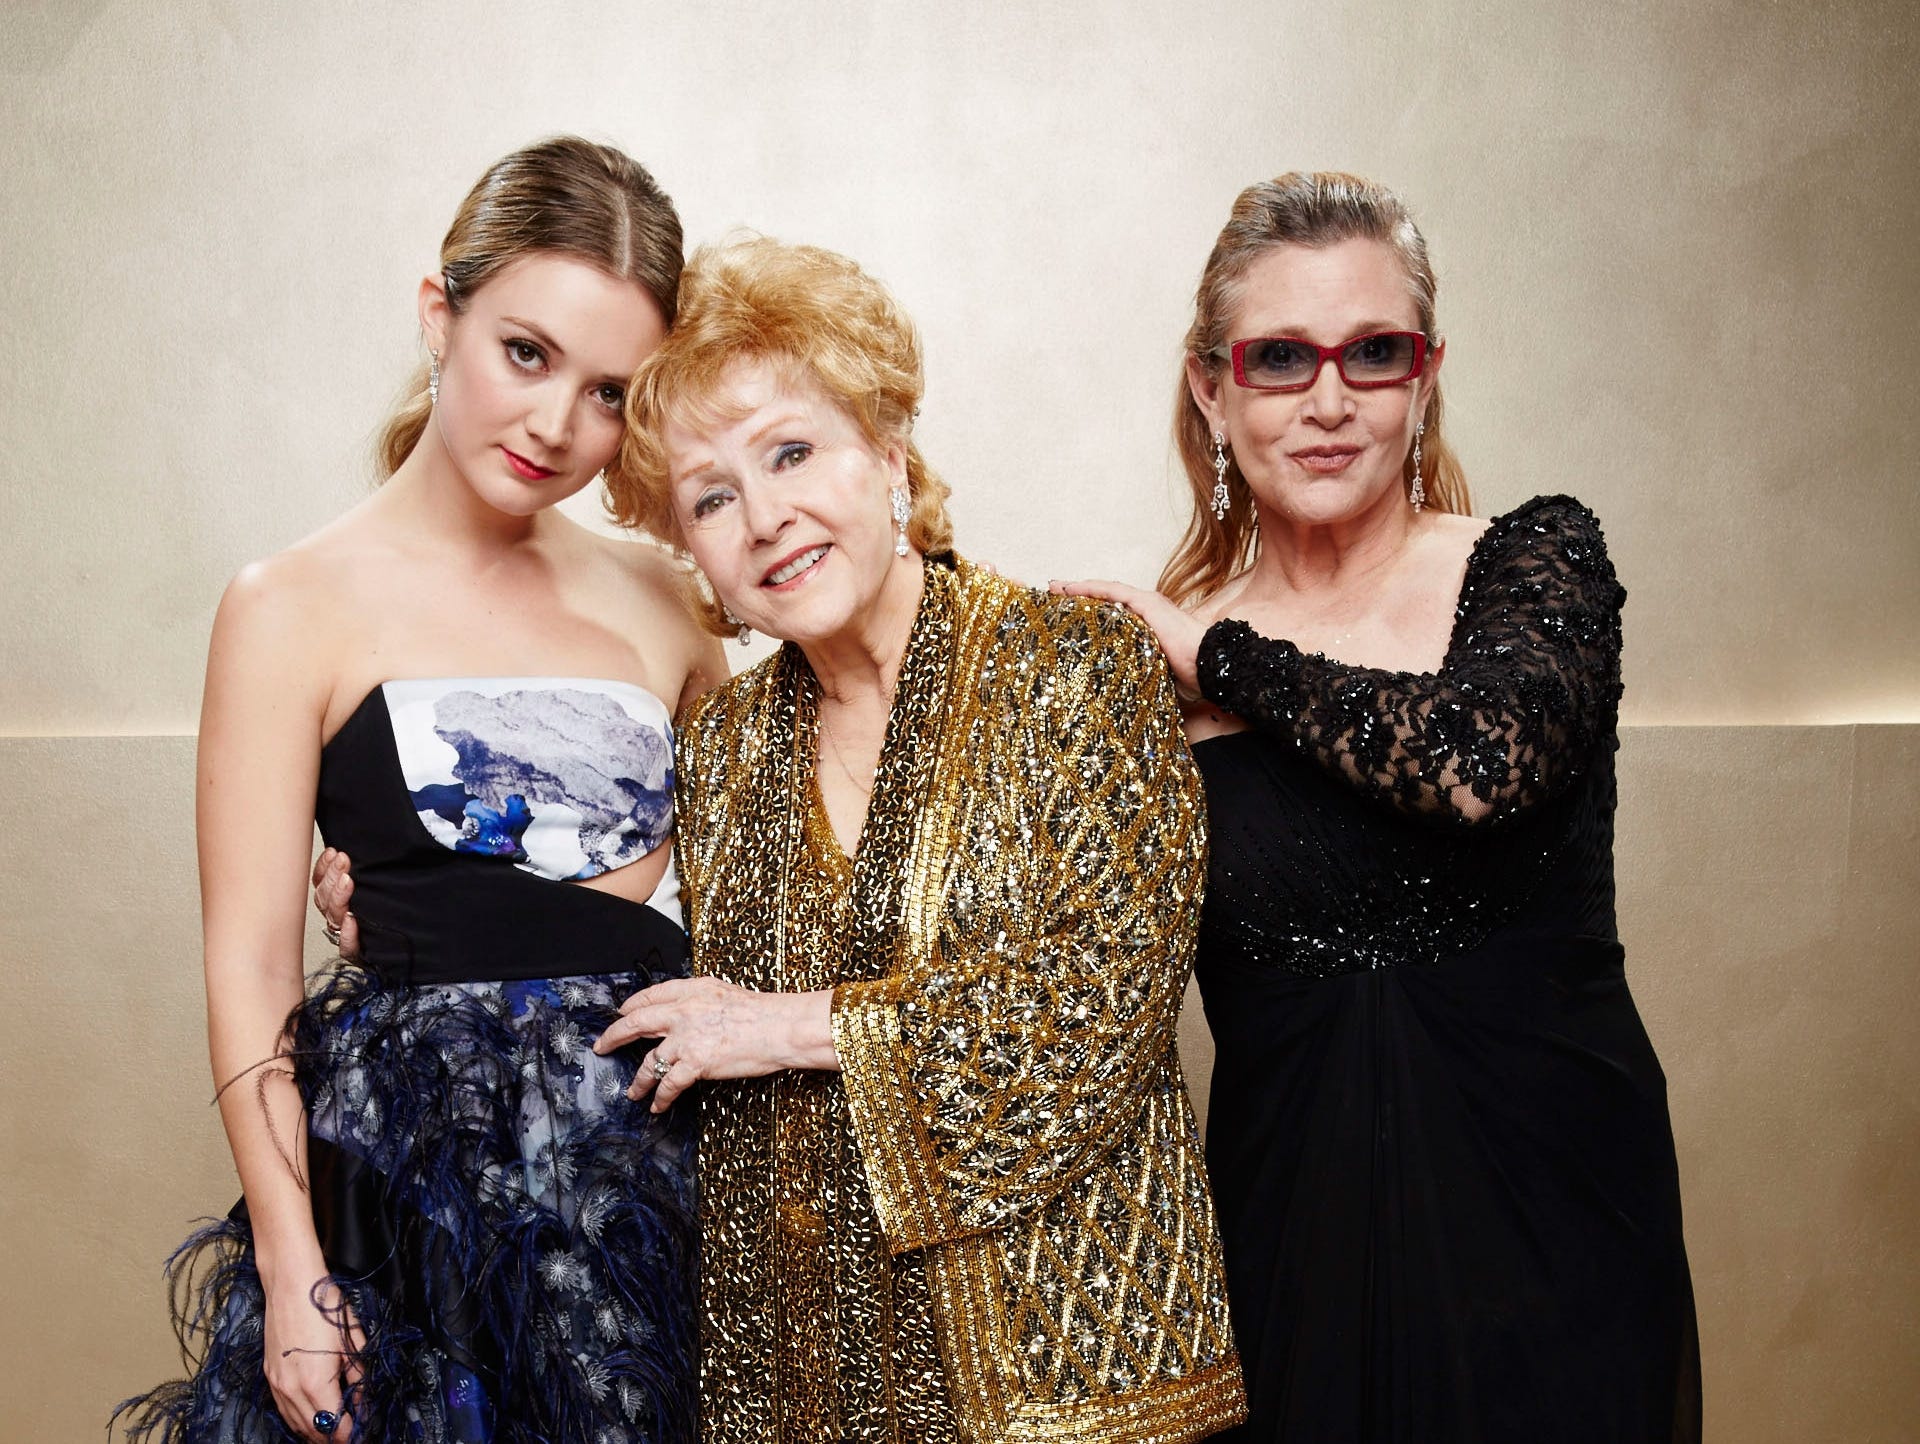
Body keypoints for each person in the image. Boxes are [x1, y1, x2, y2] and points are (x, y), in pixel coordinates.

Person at [1058, 172, 1701, 1442]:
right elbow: (1062, 973)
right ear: (1213, 386)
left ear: (1427, 373)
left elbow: (1480, 761)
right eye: (1282, 357)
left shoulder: (1533, 557)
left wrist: (1219, 658)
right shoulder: (1145, 676)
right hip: (1289, 1238)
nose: (1330, 400)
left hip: (1556, 1219)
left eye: (1375, 352)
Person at [588, 237, 1247, 1443]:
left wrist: (789, 1025)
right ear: (699, 558)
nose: (766, 517)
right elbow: (610, 930)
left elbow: (1099, 1006)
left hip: (1072, 1375)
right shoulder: (724, 746)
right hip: (808, 1388)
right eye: (713, 496)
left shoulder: (1075, 665)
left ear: (888, 454)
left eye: (792, 451)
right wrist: (399, 890)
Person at [114, 137, 722, 1444]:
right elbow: (247, 975)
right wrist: (289, 1266)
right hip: (409, 1208)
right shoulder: (290, 606)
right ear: (439, 313)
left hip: (657, 1200)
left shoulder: (671, 601)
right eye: (527, 353)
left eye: (610, 391)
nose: (559, 424)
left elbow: (770, 862)